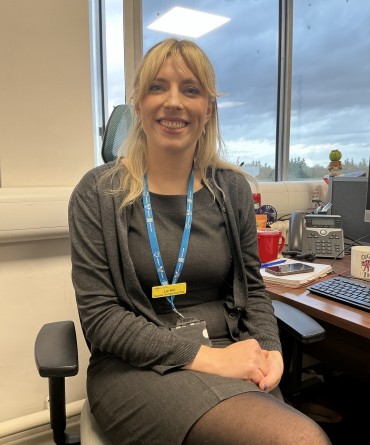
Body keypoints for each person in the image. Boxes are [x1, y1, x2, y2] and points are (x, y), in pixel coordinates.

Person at [68, 38, 331, 445]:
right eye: (158, 87)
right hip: (136, 368)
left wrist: (269, 348)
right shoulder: (98, 193)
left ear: (208, 109)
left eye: (190, 90)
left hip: (232, 352)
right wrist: (210, 360)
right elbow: (102, 320)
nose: (174, 101)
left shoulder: (231, 190)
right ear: (137, 103)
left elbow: (254, 290)